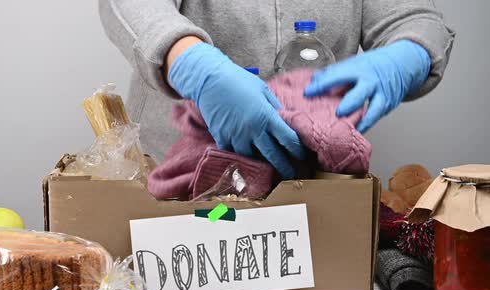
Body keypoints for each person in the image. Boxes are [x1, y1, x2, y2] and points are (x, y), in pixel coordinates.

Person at [99, 0, 454, 179]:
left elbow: (416, 17)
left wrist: (408, 55)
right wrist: (195, 67)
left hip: (314, 190)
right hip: (189, 186)